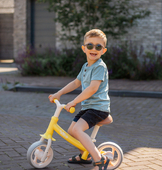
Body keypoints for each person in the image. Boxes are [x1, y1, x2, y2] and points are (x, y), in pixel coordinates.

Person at [49, 29, 112, 170]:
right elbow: (76, 83)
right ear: (84, 48)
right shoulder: (85, 66)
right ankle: (85, 154)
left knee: (77, 130)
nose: (93, 49)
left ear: (104, 51)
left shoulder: (100, 67)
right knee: (72, 130)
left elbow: (92, 89)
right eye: (90, 46)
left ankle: (99, 159)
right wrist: (59, 93)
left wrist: (74, 101)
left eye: (98, 47)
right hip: (88, 107)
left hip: (98, 108)